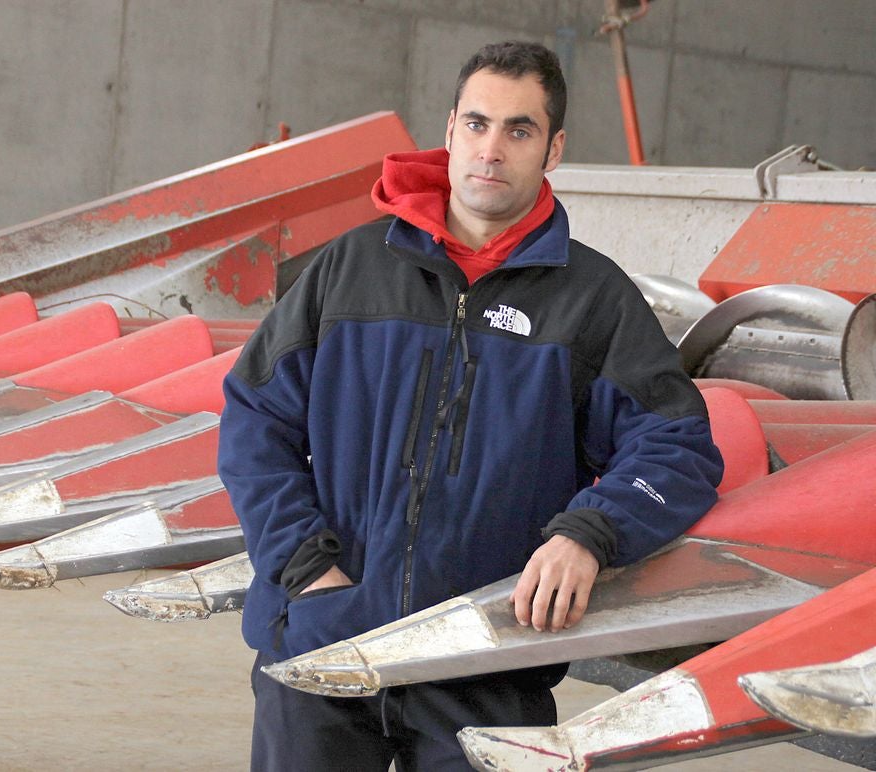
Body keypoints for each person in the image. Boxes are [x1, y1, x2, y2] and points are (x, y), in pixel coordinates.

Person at [218, 41, 724, 770]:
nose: (492, 149)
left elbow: (677, 446)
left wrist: (590, 533)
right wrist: (302, 565)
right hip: (322, 641)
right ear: (450, 130)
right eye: (478, 124)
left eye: (519, 131)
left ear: (553, 150)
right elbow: (252, 420)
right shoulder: (350, 269)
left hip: (485, 657)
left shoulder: (593, 300)